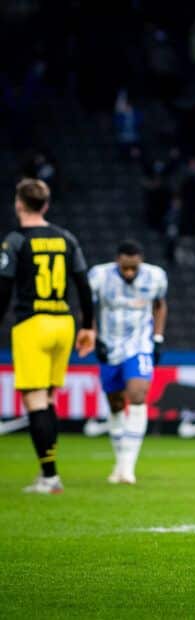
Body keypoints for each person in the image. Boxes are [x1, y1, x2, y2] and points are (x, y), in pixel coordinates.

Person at [0, 179, 95, 494]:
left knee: (35, 400)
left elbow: (4, 289)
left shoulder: (15, 241)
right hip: (63, 323)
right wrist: (88, 327)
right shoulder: (66, 238)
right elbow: (83, 285)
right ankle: (48, 474)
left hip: (33, 323)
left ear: (19, 204)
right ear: (46, 204)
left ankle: (50, 477)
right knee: (50, 398)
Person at [89, 240, 168, 484]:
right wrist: (92, 335)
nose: (129, 273)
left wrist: (157, 337)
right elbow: (87, 306)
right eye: (125, 268)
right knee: (114, 403)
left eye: (133, 268)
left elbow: (160, 305)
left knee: (137, 395)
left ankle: (127, 467)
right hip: (110, 345)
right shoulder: (99, 276)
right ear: (117, 261)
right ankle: (119, 463)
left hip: (139, 345)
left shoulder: (156, 276)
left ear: (140, 261)